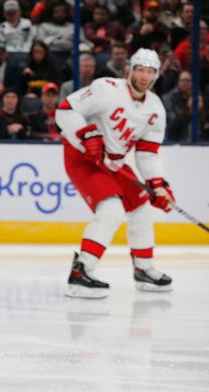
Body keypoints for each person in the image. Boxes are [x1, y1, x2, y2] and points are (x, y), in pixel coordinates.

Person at [55, 48, 174, 298]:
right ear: (130, 69)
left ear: (155, 76)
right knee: (111, 209)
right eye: (140, 69)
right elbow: (65, 111)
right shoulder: (106, 88)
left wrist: (158, 184)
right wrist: (87, 134)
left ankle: (143, 269)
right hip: (83, 157)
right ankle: (81, 272)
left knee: (141, 208)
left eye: (149, 71)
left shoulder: (155, 108)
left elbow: (147, 152)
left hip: (115, 163)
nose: (143, 76)